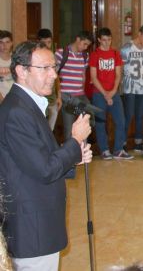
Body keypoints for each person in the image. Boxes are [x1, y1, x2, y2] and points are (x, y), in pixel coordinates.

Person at [0, 41, 92, 270]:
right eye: (45, 68)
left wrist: (74, 157)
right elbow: (44, 169)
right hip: (32, 229)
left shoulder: (27, 104)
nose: (54, 75)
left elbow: (32, 161)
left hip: (39, 221)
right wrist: (74, 141)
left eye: (54, 67)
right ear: (22, 71)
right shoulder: (17, 112)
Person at [90, 27, 133, 160]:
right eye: (104, 40)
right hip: (99, 94)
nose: (107, 43)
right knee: (100, 122)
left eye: (109, 39)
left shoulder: (115, 54)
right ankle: (104, 150)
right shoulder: (95, 55)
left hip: (114, 92)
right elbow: (93, 77)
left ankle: (118, 150)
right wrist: (105, 94)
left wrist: (113, 91)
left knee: (121, 121)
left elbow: (118, 75)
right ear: (98, 40)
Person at [55, 30, 94, 142]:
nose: (86, 47)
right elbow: (55, 75)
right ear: (78, 39)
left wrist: (82, 90)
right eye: (84, 44)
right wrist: (59, 95)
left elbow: (82, 74)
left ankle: (84, 155)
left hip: (80, 94)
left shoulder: (85, 55)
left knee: (85, 124)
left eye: (88, 45)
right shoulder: (61, 53)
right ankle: (70, 157)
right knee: (69, 129)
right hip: (66, 95)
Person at [121, 24, 143, 152]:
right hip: (130, 87)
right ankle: (122, 142)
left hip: (142, 87)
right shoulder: (126, 48)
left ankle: (138, 142)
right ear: (139, 33)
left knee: (140, 115)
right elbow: (121, 67)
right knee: (129, 115)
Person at [37, 28, 62, 131]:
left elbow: (56, 79)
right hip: (40, 98)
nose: (47, 45)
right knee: (39, 129)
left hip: (52, 100)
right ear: (38, 42)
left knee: (50, 131)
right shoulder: (35, 57)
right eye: (44, 42)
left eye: (49, 42)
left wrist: (59, 96)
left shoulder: (53, 57)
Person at [0, 30, 14, 104]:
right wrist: (3, 101)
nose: (4, 45)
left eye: (7, 42)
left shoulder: (16, 60)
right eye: (1, 42)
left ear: (12, 43)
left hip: (15, 99)